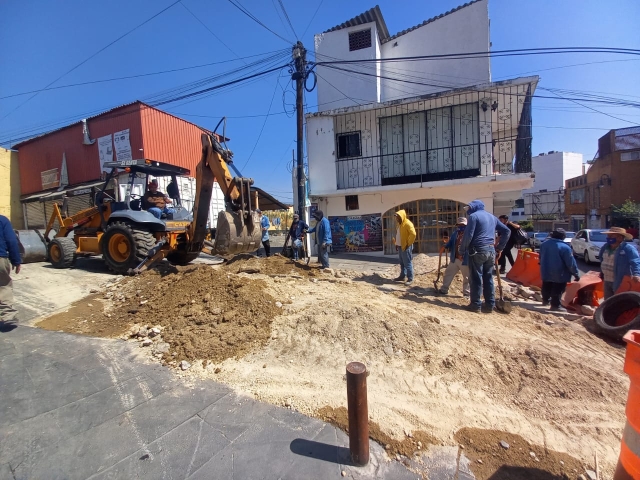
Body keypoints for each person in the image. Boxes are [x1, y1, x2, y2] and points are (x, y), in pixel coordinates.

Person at [460, 200, 510, 313]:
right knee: (488, 278)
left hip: (477, 250)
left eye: (469, 208)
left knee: (476, 278)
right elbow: (507, 231)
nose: (468, 211)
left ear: (474, 207)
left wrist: (462, 250)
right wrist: (499, 248)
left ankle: (476, 305)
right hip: (491, 250)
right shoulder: (492, 217)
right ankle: (489, 305)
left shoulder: (473, 217)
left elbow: (468, 236)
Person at [539, 229, 580, 312]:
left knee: (546, 285)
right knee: (558, 288)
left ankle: (545, 300)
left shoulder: (544, 244)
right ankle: (555, 305)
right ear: (563, 236)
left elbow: (540, 257)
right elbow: (570, 262)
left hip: (546, 269)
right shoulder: (565, 247)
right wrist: (575, 273)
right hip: (560, 272)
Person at [598, 226, 640, 299]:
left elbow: (635, 261)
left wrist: (636, 274)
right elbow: (601, 258)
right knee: (607, 301)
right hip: (607, 279)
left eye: (611, 236)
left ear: (620, 238)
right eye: (608, 235)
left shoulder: (628, 249)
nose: (609, 237)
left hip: (620, 280)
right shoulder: (605, 247)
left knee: (619, 302)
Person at [438, 217, 470, 296]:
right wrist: (445, 246)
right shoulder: (455, 233)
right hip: (455, 258)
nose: (460, 226)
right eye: (459, 225)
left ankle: (466, 293)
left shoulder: (469, 234)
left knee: (467, 277)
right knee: (448, 273)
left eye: (462, 225)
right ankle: (444, 289)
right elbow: (451, 243)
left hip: (464, 259)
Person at [0, 215, 21, 324]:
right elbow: (12, 241)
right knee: (4, 285)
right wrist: (16, 260)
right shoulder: (2, 220)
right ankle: (8, 316)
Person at [392, 210, 416, 286]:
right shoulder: (399, 224)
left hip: (406, 247)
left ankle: (410, 278)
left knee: (407, 263)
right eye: (396, 217)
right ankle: (402, 276)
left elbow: (413, 234)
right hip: (400, 246)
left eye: (398, 217)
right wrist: (396, 244)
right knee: (402, 263)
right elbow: (398, 235)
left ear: (401, 216)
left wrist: (408, 244)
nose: (396, 218)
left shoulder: (407, 224)